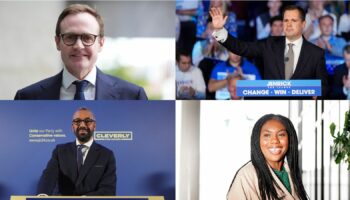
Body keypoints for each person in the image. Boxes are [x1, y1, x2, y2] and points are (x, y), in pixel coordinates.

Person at [14, 4, 147, 100]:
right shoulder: (27, 98)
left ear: (101, 43)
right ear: (57, 42)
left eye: (87, 38)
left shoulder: (132, 97)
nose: (78, 46)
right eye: (70, 37)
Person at [210, 5, 328, 98]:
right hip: (272, 107)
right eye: (286, 21)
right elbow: (241, 47)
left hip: (300, 108)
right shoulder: (269, 44)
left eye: (294, 20)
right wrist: (220, 30)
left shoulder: (316, 53)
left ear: (303, 24)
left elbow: (323, 86)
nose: (289, 25)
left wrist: (318, 94)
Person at [37, 107, 116, 196]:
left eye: (87, 121)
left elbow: (108, 189)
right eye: (77, 121)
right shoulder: (60, 151)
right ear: (72, 127)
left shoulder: (106, 155)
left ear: (94, 126)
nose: (82, 125)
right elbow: (48, 176)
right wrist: (42, 195)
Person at [227, 114, 308, 199]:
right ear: (257, 140)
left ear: (290, 139)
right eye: (267, 135)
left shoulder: (291, 173)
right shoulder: (246, 175)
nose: (274, 141)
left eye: (281, 135)